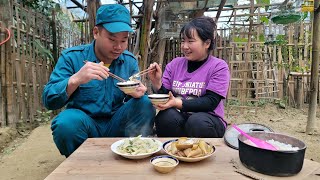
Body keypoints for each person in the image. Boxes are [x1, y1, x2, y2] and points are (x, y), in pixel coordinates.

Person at [42, 4, 155, 157]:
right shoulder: (72, 57)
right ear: (96, 32)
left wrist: (137, 93)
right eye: (112, 39)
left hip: (117, 123)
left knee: (145, 103)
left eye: (124, 40)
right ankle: (82, 163)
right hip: (86, 124)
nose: (118, 47)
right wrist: (75, 79)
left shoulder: (129, 61)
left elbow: (133, 102)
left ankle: (131, 152)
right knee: (66, 124)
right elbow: (49, 100)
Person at [148, 16, 230, 138]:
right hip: (182, 119)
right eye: (183, 41)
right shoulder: (174, 64)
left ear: (207, 43)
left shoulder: (218, 67)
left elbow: (210, 102)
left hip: (208, 121)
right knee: (166, 117)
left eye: (190, 41)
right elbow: (167, 96)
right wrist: (157, 82)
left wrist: (177, 102)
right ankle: (174, 150)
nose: (184, 46)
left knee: (197, 122)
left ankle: (201, 153)